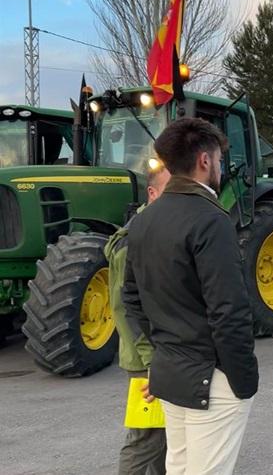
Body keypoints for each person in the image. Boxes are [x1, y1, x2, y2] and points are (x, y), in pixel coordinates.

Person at [122, 118, 259, 475]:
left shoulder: (142, 221)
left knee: (180, 468)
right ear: (204, 160)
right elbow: (228, 310)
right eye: (218, 159)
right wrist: (243, 379)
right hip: (210, 378)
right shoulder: (211, 219)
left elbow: (132, 300)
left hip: (172, 372)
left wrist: (161, 356)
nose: (220, 167)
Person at [105, 165, 171, 475]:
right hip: (147, 356)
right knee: (146, 437)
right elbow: (128, 308)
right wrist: (152, 361)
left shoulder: (151, 230)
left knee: (164, 433)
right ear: (152, 193)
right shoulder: (134, 240)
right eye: (171, 193)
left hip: (156, 352)